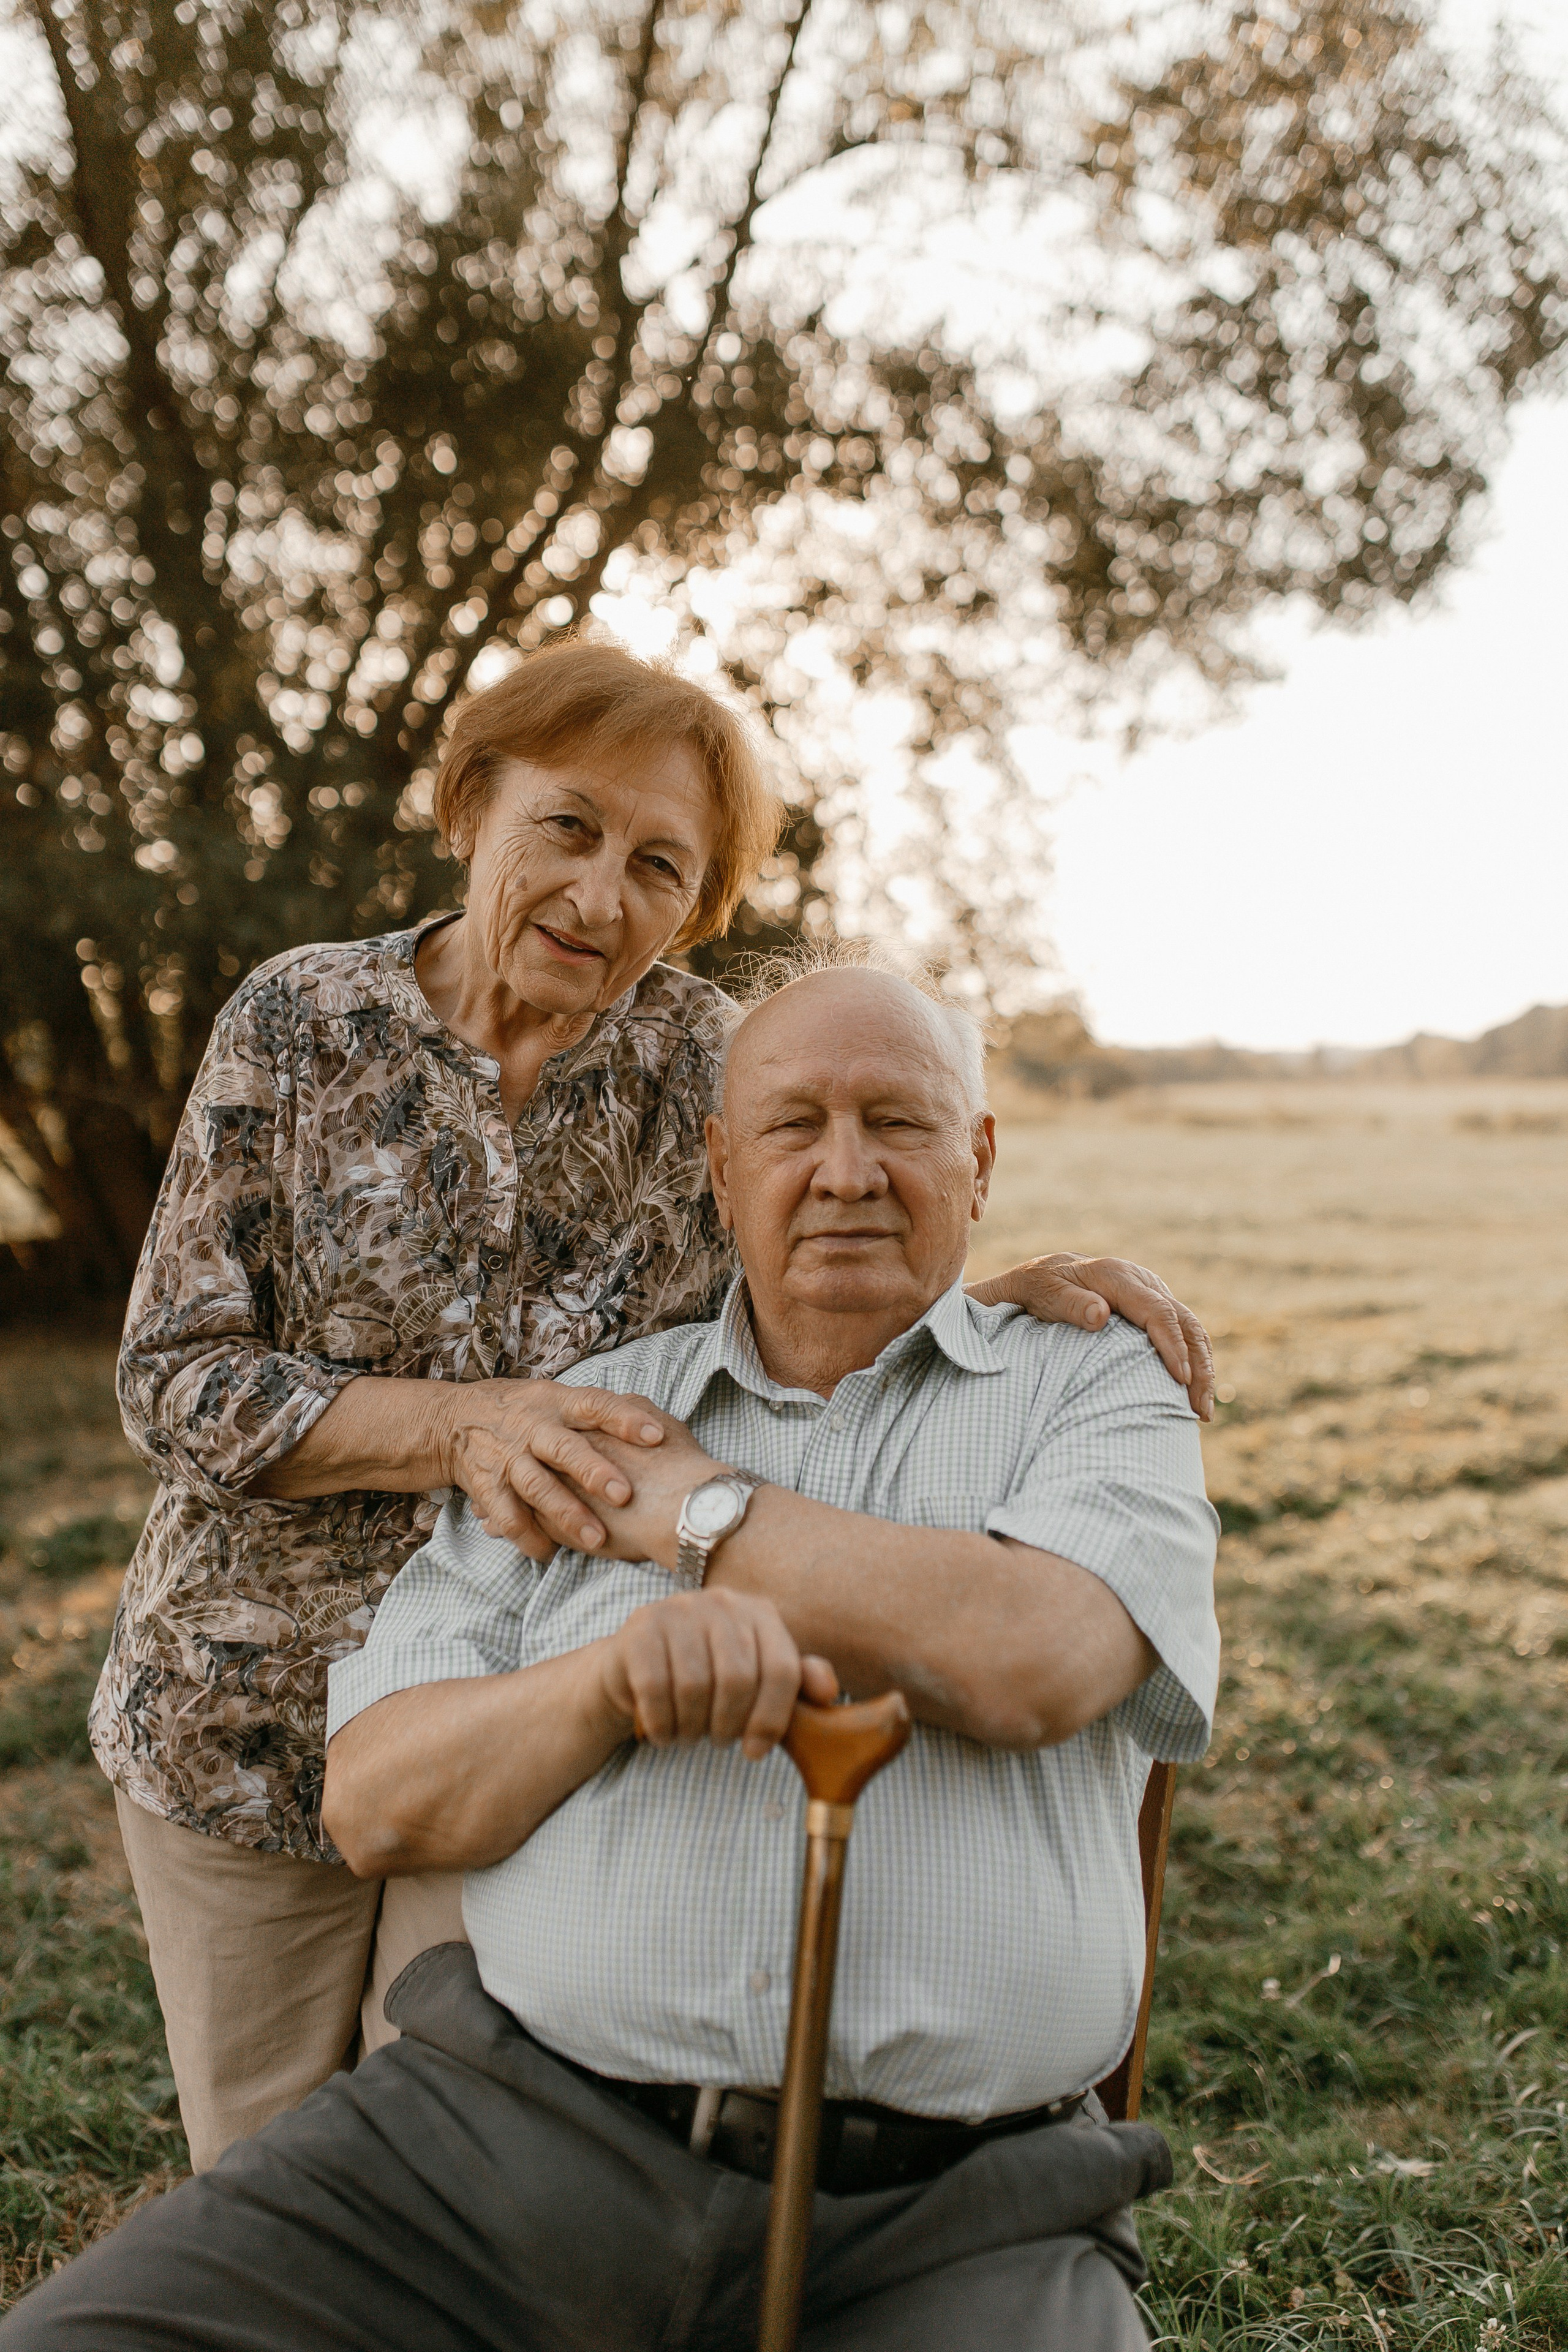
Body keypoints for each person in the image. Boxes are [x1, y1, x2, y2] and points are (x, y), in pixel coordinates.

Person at [94, 635, 1215, 2176]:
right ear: (471, 804)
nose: (601, 896)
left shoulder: (694, 1059)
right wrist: (467, 1423)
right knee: (275, 2172)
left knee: (463, 2161)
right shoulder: (301, 1022)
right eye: (566, 827)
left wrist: (998, 1276)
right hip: (244, 1708)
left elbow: (814, 1210)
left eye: (660, 866)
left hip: (518, 1703)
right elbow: (173, 1377)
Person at [11, 962, 1219, 2350]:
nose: (843, 1172)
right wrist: (603, 1686)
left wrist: (692, 1514)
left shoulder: (1097, 1374)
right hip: (497, 2153)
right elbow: (376, 1800)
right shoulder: (590, 1418)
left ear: (980, 1159)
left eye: (898, 1123)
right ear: (716, 1168)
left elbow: (1038, 1659)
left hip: (957, 2210)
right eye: (790, 1127)